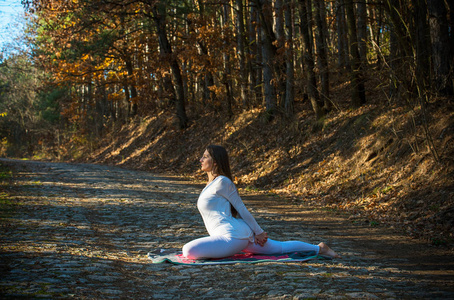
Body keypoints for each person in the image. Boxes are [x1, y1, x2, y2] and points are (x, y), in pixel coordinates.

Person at [182, 145, 340, 260]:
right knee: (279, 248)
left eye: (205, 156)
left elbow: (241, 208)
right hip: (234, 235)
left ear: (215, 161)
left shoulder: (223, 182)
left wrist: (258, 232)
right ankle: (319, 248)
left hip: (232, 236)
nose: (201, 159)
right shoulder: (211, 184)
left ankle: (235, 246)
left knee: (188, 250)